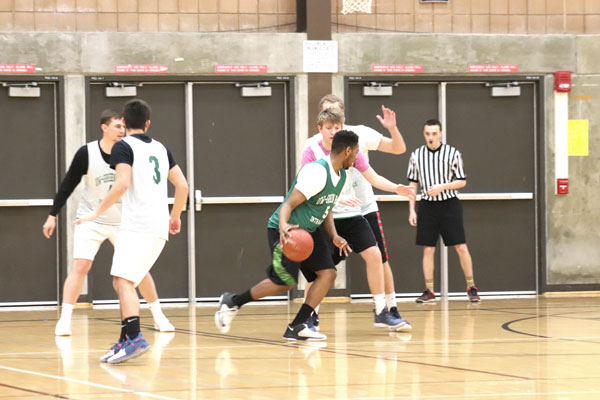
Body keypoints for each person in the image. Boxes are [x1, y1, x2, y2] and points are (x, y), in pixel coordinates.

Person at [215, 130, 357, 341]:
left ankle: (297, 325)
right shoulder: (317, 172)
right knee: (285, 281)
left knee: (328, 274)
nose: (356, 157)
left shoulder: (342, 175)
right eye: (355, 153)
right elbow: (288, 203)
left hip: (310, 231)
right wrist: (283, 226)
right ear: (347, 151)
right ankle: (233, 301)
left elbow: (326, 208)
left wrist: (334, 235)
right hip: (287, 230)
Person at [75, 99, 189, 363]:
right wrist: (175, 216)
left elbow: (121, 184)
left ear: (124, 123)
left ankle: (135, 337)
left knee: (124, 282)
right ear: (148, 123)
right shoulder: (162, 148)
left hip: (138, 224)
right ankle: (126, 338)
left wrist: (97, 211)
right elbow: (182, 186)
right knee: (122, 280)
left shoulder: (123, 147)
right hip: (158, 224)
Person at [43, 109, 174, 336]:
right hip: (92, 218)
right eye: (117, 126)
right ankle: (64, 320)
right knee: (81, 266)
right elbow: (68, 184)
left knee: (138, 271)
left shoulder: (132, 149)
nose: (121, 131)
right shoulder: (88, 152)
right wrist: (52, 214)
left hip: (125, 220)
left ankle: (159, 316)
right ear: (104, 127)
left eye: (123, 127)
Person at [302, 108, 414, 331]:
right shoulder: (312, 150)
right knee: (319, 271)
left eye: (337, 127)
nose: (333, 132)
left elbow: (372, 176)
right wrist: (338, 202)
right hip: (326, 216)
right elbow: (307, 188)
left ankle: (382, 311)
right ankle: (309, 316)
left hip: (353, 214)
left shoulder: (352, 149)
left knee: (375, 254)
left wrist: (396, 188)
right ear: (320, 129)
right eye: (329, 128)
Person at [407, 119, 480, 303]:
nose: (430, 137)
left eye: (434, 133)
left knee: (461, 247)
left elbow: (462, 180)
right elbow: (412, 184)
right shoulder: (417, 155)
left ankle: (471, 286)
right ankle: (429, 290)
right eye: (427, 134)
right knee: (428, 250)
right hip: (427, 206)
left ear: (440, 134)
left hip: (449, 204)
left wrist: (442, 186)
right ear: (424, 134)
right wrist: (411, 210)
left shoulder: (452, 153)